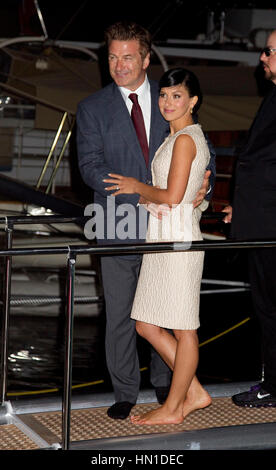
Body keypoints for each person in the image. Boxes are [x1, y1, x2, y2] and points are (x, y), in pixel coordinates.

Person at [77, 21, 216, 420]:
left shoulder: (169, 97)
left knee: (165, 313)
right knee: (121, 314)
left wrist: (202, 190)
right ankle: (125, 391)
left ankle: (167, 384)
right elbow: (89, 168)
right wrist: (140, 194)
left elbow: (195, 157)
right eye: (112, 57)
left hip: (167, 227)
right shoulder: (91, 107)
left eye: (128, 56)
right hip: (115, 222)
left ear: (145, 58)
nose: (119, 64)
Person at [104, 67, 212, 425]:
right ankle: (194, 392)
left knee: (184, 329)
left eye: (177, 95)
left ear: (193, 101)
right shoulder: (176, 136)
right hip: (163, 236)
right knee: (146, 325)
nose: (167, 102)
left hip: (178, 241)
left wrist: (137, 187)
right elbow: (174, 197)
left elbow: (173, 195)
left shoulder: (185, 139)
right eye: (164, 95)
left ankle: (173, 408)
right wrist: (150, 200)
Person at [223, 30, 276, 407]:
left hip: (271, 225)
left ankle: (274, 386)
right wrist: (242, 207)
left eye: (270, 51)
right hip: (262, 219)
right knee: (267, 308)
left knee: (271, 308)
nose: (262, 57)